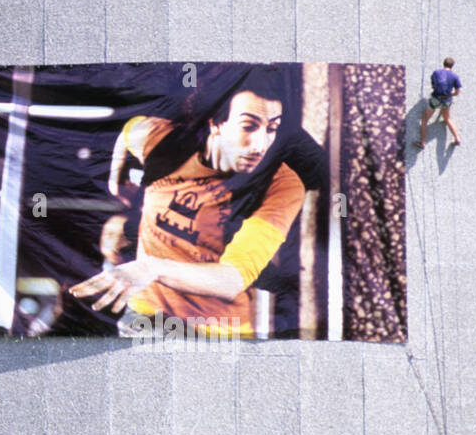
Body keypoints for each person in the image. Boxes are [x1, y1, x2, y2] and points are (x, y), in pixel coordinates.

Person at [70, 70, 312, 337]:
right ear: (216, 123)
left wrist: (152, 267)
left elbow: (233, 278)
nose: (260, 144)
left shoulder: (282, 185)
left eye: (271, 128)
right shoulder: (161, 140)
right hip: (146, 318)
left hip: (220, 333)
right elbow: (131, 130)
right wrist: (117, 177)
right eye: (248, 126)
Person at [415, 57, 463, 149]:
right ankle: (457, 138)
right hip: (447, 100)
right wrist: (449, 94)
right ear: (452, 66)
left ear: (443, 63)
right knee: (447, 118)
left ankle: (423, 143)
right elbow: (457, 93)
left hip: (436, 99)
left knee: (424, 119)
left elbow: (433, 86)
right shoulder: (455, 76)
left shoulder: (436, 73)